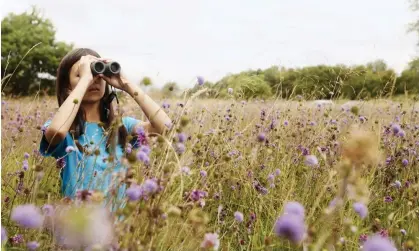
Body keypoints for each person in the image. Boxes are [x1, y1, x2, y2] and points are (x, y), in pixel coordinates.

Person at [39, 48, 171, 204]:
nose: (93, 80)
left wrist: (127, 84)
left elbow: (165, 127)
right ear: (68, 87)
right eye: (81, 74)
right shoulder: (65, 129)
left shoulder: (122, 126)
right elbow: (56, 132)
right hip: (79, 223)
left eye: (97, 74)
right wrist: (85, 80)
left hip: (117, 225)